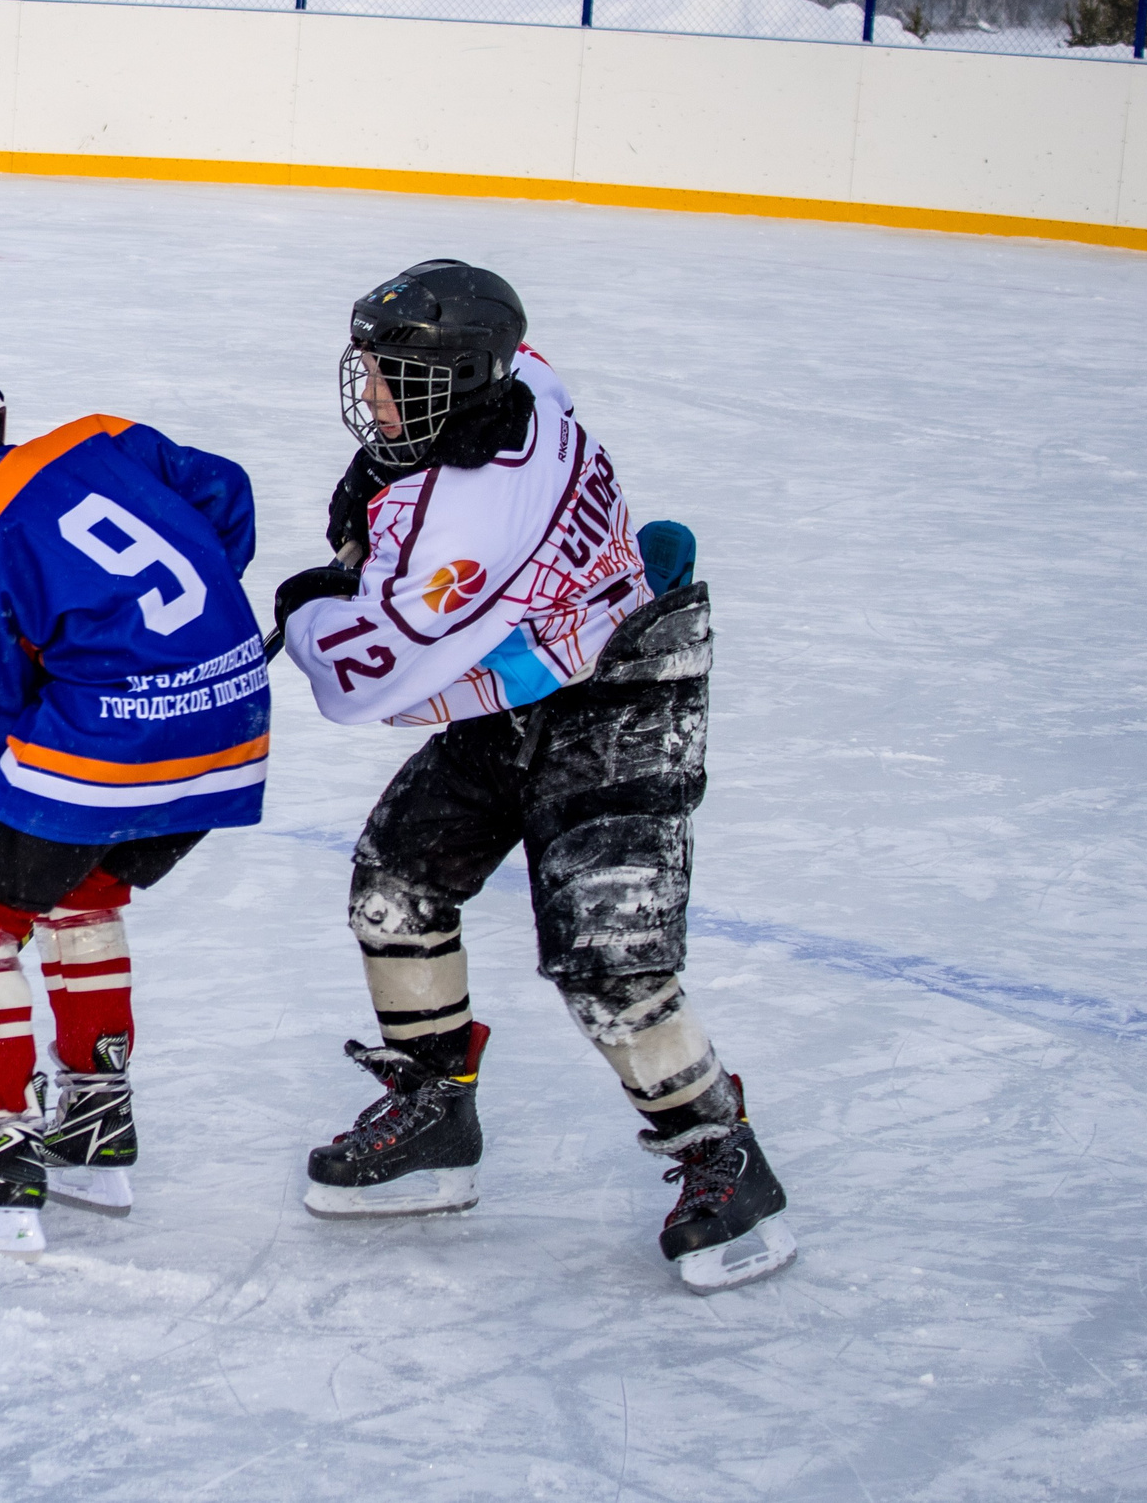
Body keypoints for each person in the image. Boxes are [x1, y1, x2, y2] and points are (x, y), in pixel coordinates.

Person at [270, 260, 794, 1294]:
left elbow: (361, 681)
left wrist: (308, 608)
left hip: (623, 689)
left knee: (608, 952)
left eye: (392, 377)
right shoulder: (525, 385)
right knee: (396, 883)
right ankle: (435, 1108)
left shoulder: (458, 528)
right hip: (529, 670)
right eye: (369, 370)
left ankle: (719, 1154)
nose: (368, 395)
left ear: (462, 376)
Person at [0, 354, 267, 1258]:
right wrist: (173, 635)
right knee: (79, 880)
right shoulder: (100, 437)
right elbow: (225, 495)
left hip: (111, 744)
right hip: (230, 725)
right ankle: (94, 1122)